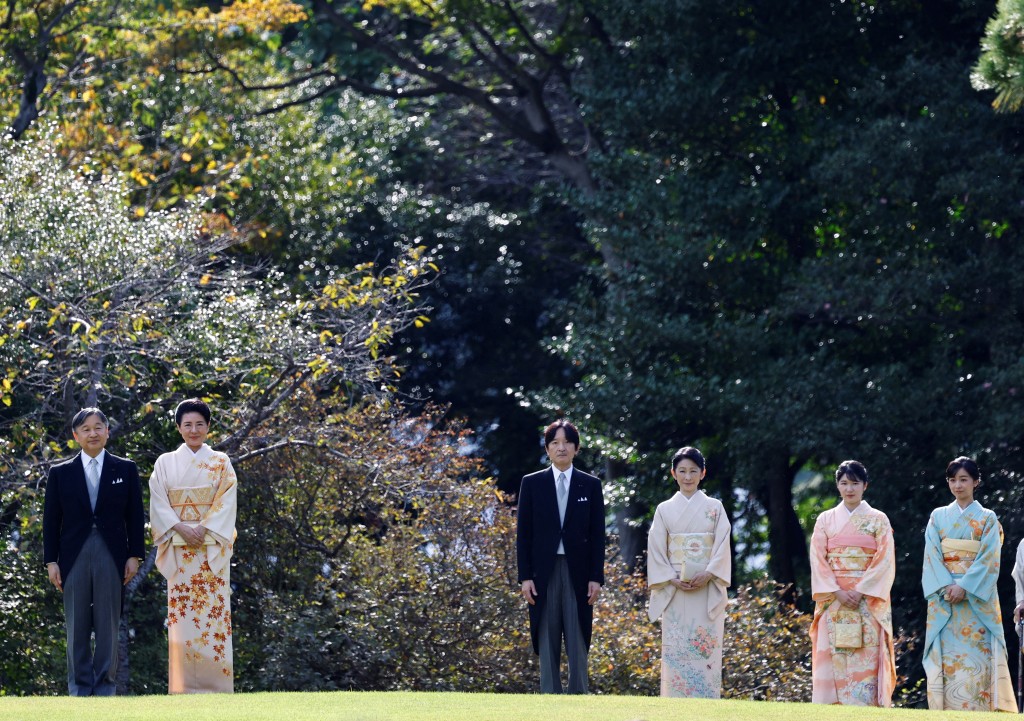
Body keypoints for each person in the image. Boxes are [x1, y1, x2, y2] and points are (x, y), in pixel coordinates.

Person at [42, 407, 145, 696]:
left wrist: (134, 555)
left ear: (107, 432)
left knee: (108, 624)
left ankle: (105, 688)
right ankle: (79, 688)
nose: (93, 433)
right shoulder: (60, 473)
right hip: (72, 555)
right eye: (86, 429)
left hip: (112, 554)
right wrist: (51, 561)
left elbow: (135, 516)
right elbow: (51, 521)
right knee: (76, 625)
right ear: (76, 435)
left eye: (98, 427)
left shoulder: (125, 468)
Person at [149, 398, 237, 693]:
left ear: (208, 426)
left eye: (200, 424)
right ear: (179, 428)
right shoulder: (165, 463)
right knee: (183, 620)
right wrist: (181, 527)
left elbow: (226, 500)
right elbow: (158, 501)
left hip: (210, 550)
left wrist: (203, 527)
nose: (194, 430)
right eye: (188, 424)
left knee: (213, 618)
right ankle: (184, 687)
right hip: (180, 550)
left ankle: (218, 687)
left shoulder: (221, 462)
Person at [516, 419, 605, 694]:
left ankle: (579, 695)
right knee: (547, 634)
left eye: (567, 442)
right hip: (543, 571)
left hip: (579, 571)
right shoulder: (532, 483)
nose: (561, 447)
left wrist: (596, 578)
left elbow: (598, 535)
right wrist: (525, 577)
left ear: (576, 448)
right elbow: (524, 534)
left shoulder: (590, 485)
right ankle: (549, 697)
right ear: (547, 448)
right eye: (555, 442)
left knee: (578, 634)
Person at [922, 456, 1016, 712]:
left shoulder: (987, 518)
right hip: (945, 598)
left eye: (964, 479)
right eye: (953, 480)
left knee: (980, 655)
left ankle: (982, 709)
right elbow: (931, 555)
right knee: (947, 655)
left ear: (976, 482)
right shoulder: (937, 516)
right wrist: (946, 586)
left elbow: (989, 557)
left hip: (976, 598)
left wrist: (964, 586)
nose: (958, 485)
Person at [808, 460, 896, 706]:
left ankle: (865, 705)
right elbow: (817, 557)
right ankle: (832, 707)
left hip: (866, 599)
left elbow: (885, 559)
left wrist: (859, 590)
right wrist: (835, 590)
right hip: (834, 598)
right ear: (837, 485)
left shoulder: (879, 519)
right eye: (844, 483)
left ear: (865, 486)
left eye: (855, 483)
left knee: (865, 654)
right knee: (834, 651)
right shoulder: (825, 519)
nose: (849, 489)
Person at [646, 446, 731, 698]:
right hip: (675, 587)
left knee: (705, 647)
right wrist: (670, 578)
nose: (687, 476)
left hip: (706, 585)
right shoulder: (664, 509)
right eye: (682, 471)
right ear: (673, 473)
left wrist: (710, 572)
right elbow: (656, 547)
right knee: (677, 647)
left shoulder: (714, 507)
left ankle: (706, 701)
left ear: (703, 473)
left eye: (693, 471)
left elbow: (723, 543)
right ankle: (675, 702)